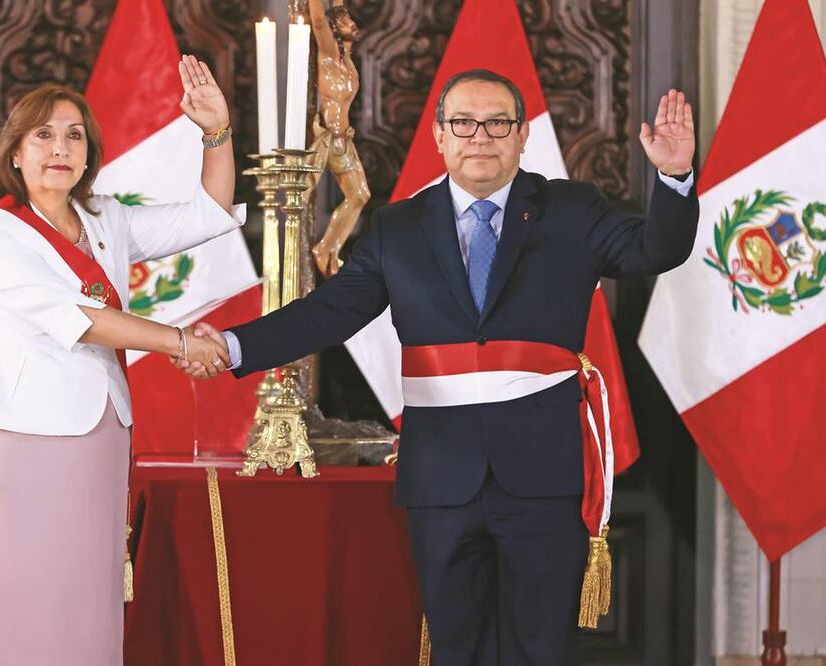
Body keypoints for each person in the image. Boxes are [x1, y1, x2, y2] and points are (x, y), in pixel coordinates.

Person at [183, 70, 698, 664]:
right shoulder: (397, 227)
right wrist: (230, 345)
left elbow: (657, 250)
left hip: (542, 474)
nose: (480, 136)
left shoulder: (571, 210)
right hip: (441, 480)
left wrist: (674, 177)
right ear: (439, 136)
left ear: (522, 134)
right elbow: (328, 314)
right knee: (456, 649)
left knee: (540, 648)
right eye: (463, 123)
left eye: (497, 122)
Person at [0, 55, 237, 665]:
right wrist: (182, 342)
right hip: (14, 435)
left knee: (87, 598)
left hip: (98, 431)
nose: (61, 147)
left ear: (89, 153)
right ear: (16, 152)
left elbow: (208, 215)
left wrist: (216, 133)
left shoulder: (104, 217)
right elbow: (79, 320)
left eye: (75, 135)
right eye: (44, 134)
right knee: (15, 603)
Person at [306, 0, 371, 277]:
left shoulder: (348, 62)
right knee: (302, 196)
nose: (352, 23)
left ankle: (328, 247)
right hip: (325, 140)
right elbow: (319, 20)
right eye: (345, 20)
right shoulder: (328, 55)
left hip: (343, 140)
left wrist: (339, 4)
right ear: (334, 28)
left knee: (360, 195)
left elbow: (335, 8)